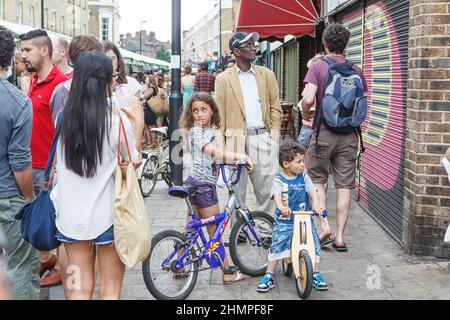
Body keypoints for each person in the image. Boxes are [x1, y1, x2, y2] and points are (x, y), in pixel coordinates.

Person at [54, 51, 143, 300]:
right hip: (108, 218)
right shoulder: (116, 123)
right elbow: (132, 161)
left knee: (78, 290)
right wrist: (137, 122)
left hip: (71, 220)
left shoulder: (62, 120)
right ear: (107, 82)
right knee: (110, 291)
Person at [43, 35, 105, 290]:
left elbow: (58, 131)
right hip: (93, 182)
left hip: (70, 179)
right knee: (96, 256)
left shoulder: (61, 92)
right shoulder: (105, 98)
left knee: (72, 247)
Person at [302, 23, 368, 252]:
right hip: (350, 136)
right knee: (345, 186)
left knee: (317, 179)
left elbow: (308, 99)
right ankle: (340, 237)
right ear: (346, 45)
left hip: (323, 134)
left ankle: (324, 225)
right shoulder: (356, 69)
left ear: (324, 43)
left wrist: (304, 113)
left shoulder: (318, 67)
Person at [179, 92, 254, 284]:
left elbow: (213, 159)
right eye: (195, 111)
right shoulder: (197, 131)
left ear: (212, 110)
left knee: (190, 228)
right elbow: (214, 153)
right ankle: (227, 273)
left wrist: (230, 163)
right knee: (215, 230)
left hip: (193, 183)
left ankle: (178, 265)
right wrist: (241, 157)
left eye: (204, 109)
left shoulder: (209, 130)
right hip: (203, 187)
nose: (199, 114)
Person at [20, 29, 69, 285]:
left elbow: (63, 131)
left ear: (45, 50)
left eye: (28, 50)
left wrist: (55, 167)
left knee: (53, 222)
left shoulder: (60, 85)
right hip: (30, 164)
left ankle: (60, 268)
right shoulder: (32, 81)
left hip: (48, 168)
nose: (23, 55)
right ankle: (47, 260)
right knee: (37, 223)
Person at [215, 31, 282, 215]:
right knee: (236, 191)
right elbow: (218, 116)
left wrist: (273, 136)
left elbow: (276, 107)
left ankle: (267, 229)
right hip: (234, 140)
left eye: (254, 44)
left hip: (261, 136)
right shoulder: (222, 79)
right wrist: (221, 147)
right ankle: (240, 230)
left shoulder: (266, 75)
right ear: (236, 51)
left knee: (267, 188)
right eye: (248, 45)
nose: (254, 48)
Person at [256, 142, 328, 292]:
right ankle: (269, 275)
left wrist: (316, 204)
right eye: (299, 162)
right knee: (277, 244)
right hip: (285, 221)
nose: (303, 165)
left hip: (304, 220)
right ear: (286, 163)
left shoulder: (304, 177)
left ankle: (314, 273)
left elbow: (313, 193)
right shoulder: (278, 179)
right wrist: (281, 207)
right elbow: (276, 194)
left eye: (303, 161)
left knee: (314, 244)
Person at [0, 25, 39, 299]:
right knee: (21, 269)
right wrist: (30, 200)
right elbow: (20, 164)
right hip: (8, 198)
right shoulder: (18, 103)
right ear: (9, 59)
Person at [142, 74, 159, 148]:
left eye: (146, 79)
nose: (145, 80)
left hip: (150, 108)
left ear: (150, 80)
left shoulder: (152, 88)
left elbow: (145, 96)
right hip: (147, 107)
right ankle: (149, 142)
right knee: (147, 125)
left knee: (151, 126)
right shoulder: (150, 87)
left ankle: (153, 142)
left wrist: (145, 88)